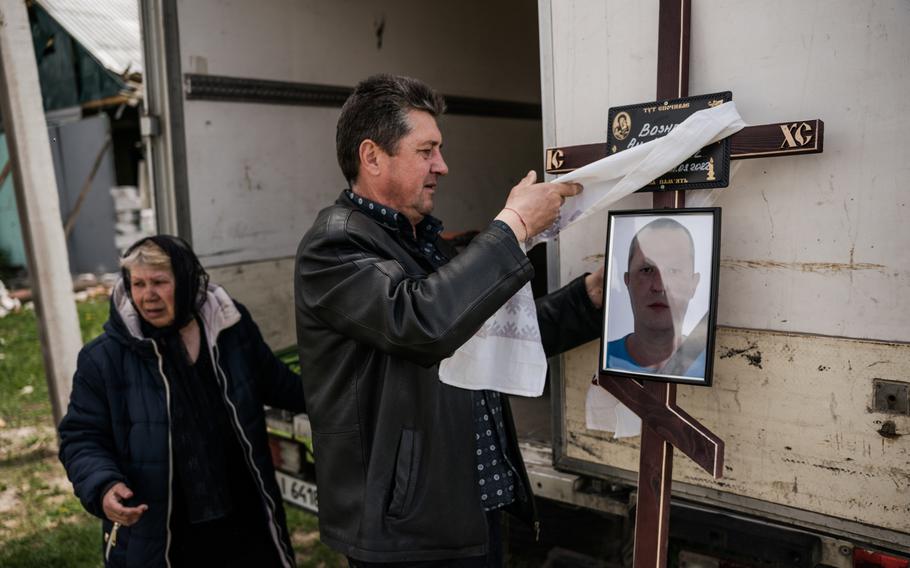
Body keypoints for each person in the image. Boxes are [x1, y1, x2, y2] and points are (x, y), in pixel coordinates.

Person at [294, 73, 604, 566]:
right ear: (372, 156)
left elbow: (494, 339)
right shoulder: (333, 247)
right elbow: (421, 323)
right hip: (407, 532)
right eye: (427, 151)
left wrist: (589, 299)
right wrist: (515, 226)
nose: (443, 165)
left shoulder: (420, 241)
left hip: (468, 511)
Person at [58, 235, 305, 568]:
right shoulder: (103, 359)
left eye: (160, 282)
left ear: (187, 281)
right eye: (138, 284)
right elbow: (81, 437)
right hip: (163, 532)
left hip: (245, 518)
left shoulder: (228, 328)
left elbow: (280, 385)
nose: (148, 296)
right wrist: (103, 485)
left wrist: (352, 396)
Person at [606, 218, 706, 378]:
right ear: (627, 280)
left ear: (693, 285)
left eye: (673, 270)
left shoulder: (708, 363)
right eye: (646, 270)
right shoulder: (606, 357)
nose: (659, 286)